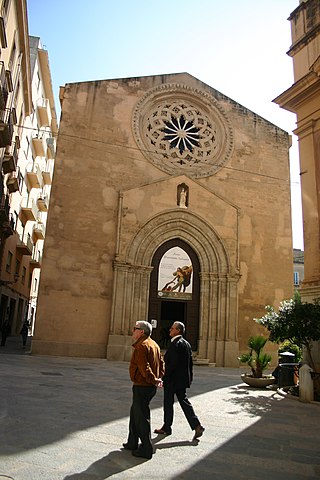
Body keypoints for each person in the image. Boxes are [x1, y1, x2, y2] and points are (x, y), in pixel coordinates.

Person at [154, 321, 205, 440]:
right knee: (184, 402)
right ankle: (197, 425)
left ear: (178, 331)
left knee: (168, 402)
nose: (170, 330)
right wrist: (189, 378)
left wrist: (164, 377)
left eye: (172, 328)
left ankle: (167, 427)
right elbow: (189, 364)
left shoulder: (176, 344)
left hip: (172, 380)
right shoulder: (186, 344)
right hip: (181, 380)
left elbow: (172, 364)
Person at [123, 320, 164, 460]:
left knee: (141, 417)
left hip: (142, 385)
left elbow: (144, 367)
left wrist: (154, 379)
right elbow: (161, 363)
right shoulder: (155, 344)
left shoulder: (142, 345)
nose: (132, 331)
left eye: (135, 328)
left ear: (142, 331)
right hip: (148, 386)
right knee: (135, 412)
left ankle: (146, 448)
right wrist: (159, 378)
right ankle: (132, 442)